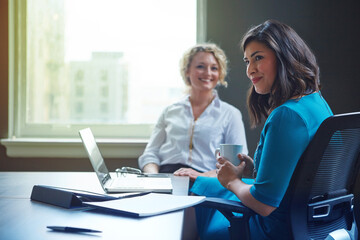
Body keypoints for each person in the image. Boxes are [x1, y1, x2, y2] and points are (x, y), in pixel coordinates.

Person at [187, 20, 333, 239]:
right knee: (200, 181)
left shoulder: (287, 115)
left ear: (285, 56)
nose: (250, 70)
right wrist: (253, 168)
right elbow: (300, 173)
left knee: (195, 190)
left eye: (258, 57)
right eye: (247, 61)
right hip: (307, 222)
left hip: (273, 228)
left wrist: (232, 181)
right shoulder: (316, 102)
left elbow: (264, 204)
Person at [138, 43, 248, 181]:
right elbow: (150, 154)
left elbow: (236, 164)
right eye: (200, 66)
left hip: (206, 181)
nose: (208, 73)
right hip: (166, 178)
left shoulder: (231, 114)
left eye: (214, 68)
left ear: (220, 73)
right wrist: (154, 180)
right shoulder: (169, 111)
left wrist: (201, 177)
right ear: (187, 71)